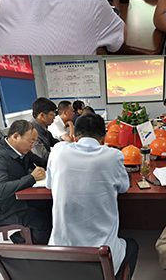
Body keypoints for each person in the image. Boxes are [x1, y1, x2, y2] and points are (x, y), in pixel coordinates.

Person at [48, 113, 138, 279]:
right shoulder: (113, 156)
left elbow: (49, 184)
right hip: (101, 256)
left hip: (61, 255)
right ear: (104, 137)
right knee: (133, 245)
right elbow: (124, 187)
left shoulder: (57, 151)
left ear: (75, 137)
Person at [0, 120, 50, 244]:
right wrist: (32, 178)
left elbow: (41, 162)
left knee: (49, 205)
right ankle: (32, 248)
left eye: (35, 142)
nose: (33, 146)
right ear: (16, 136)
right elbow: (0, 190)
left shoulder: (21, 149)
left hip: (14, 199)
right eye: (31, 142)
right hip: (0, 209)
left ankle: (24, 237)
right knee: (43, 222)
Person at [29, 97, 59, 164]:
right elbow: (42, 156)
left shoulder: (43, 127)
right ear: (42, 115)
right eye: (52, 115)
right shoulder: (31, 132)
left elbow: (53, 141)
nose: (54, 118)